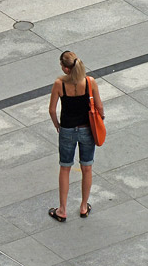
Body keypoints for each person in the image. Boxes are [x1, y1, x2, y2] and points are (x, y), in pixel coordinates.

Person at [48, 51, 104, 222]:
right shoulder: (89, 82)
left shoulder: (59, 84)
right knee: (87, 167)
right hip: (87, 129)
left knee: (65, 168)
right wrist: (100, 121)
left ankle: (62, 210)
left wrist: (57, 125)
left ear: (66, 69)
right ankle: (83, 206)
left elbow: (51, 109)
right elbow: (100, 107)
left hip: (67, 129)